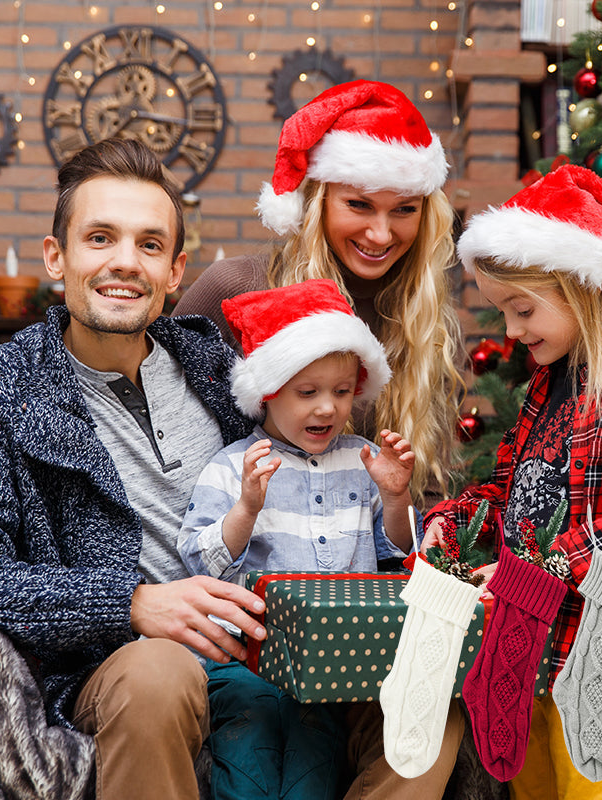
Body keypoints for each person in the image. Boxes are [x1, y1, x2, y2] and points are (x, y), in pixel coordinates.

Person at [0, 137, 269, 800]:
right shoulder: (0, 388)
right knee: (158, 675)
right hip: (113, 670)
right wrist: (131, 605)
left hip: (254, 651)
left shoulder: (221, 372)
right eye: (100, 237)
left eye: (148, 244)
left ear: (175, 271)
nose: (123, 263)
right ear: (58, 257)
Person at [422, 164, 602, 799]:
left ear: (581, 288)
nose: (514, 331)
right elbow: (511, 488)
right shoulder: (549, 389)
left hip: (591, 652)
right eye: (504, 313)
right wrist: (458, 519)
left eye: (522, 310)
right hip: (523, 644)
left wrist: (536, 570)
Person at [179, 278, 422, 800]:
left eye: (341, 392)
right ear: (267, 392)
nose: (327, 409)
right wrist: (246, 508)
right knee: (247, 763)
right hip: (246, 660)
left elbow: (402, 558)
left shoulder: (363, 460)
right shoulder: (233, 466)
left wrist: (397, 499)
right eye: (306, 393)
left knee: (314, 770)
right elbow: (200, 561)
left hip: (338, 664)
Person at [173, 79, 464, 512]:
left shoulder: (427, 327)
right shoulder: (235, 287)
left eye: (404, 209)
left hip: (372, 574)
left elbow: (429, 490)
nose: (381, 234)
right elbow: (159, 426)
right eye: (359, 205)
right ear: (318, 201)